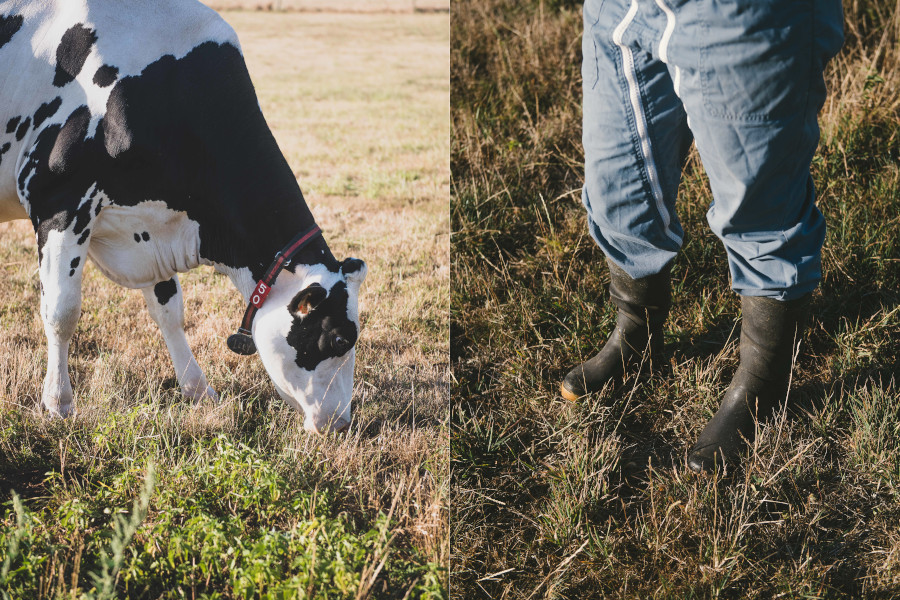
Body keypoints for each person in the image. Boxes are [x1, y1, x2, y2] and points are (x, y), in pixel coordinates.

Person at [562, 0, 844, 473]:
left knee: (760, 204)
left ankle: (762, 381)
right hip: (622, 8)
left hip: (740, 13)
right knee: (617, 184)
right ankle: (636, 335)